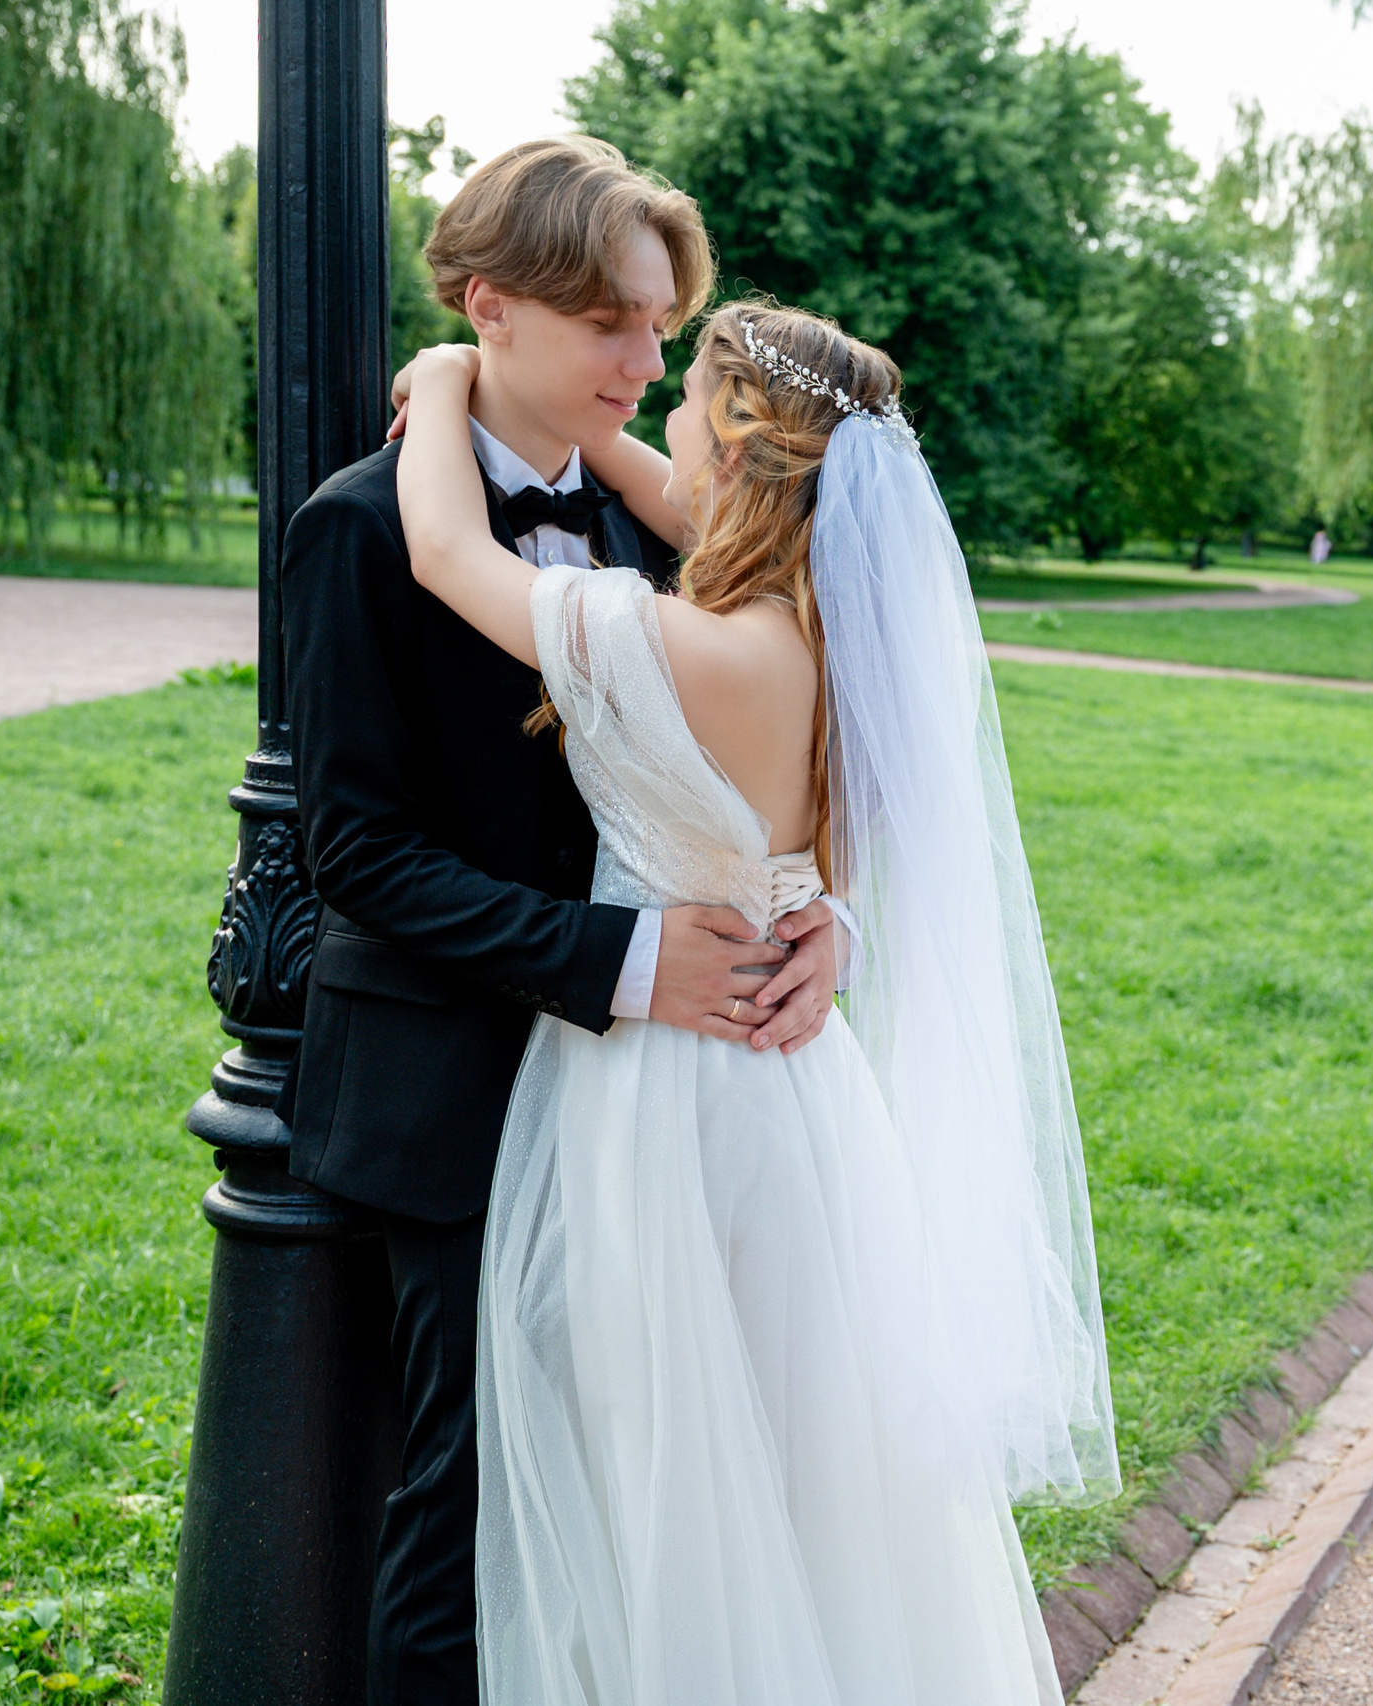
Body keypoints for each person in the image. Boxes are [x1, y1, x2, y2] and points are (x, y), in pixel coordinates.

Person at [393, 296, 1117, 1703]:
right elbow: (670, 492)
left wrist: (443, 375)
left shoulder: (673, 644)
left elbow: (441, 551)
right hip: (797, 1094)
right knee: (803, 1490)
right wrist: (832, 923)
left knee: (664, 1474)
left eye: (683, 405)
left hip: (664, 1099)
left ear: (733, 443)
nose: (653, 422)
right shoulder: (823, 633)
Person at [277, 137, 852, 1706]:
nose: (646, 360)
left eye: (661, 326)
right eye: (612, 321)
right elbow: (356, 856)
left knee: (660, 1498)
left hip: (670, 1122)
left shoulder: (677, 524)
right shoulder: (354, 530)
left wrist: (822, 924)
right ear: (490, 311)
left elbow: (778, 782)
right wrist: (620, 962)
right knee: (473, 1518)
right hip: (456, 1098)